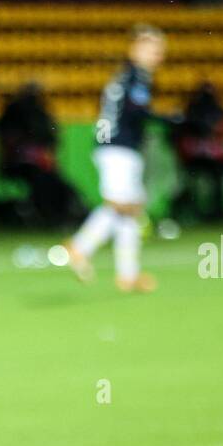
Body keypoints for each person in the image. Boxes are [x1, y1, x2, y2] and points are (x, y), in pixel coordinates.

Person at [61, 24, 169, 293]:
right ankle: (79, 246)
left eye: (160, 50)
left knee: (131, 209)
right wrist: (173, 119)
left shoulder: (127, 77)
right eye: (152, 49)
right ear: (135, 49)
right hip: (118, 146)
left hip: (116, 144)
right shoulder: (136, 78)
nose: (158, 55)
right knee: (122, 206)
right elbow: (137, 112)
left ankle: (128, 275)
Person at [0, 82, 84, 227]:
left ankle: (59, 217)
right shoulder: (17, 113)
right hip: (19, 164)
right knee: (43, 183)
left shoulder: (38, 112)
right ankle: (50, 219)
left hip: (36, 163)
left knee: (58, 184)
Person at [169, 81, 223, 222]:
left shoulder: (216, 113)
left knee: (217, 177)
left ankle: (217, 213)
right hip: (192, 158)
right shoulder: (190, 114)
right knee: (187, 184)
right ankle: (180, 213)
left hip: (211, 158)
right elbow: (177, 138)